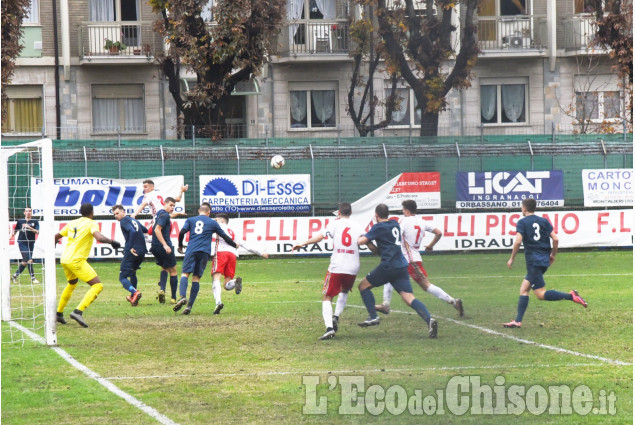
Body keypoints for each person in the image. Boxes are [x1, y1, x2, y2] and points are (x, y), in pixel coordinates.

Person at [357, 204, 438, 338]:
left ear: (376, 216)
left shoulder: (377, 227)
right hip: (401, 266)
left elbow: (361, 241)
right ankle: (429, 320)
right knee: (409, 298)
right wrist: (370, 243)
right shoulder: (394, 224)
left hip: (388, 266)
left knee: (363, 286)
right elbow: (379, 251)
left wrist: (360, 237)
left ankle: (373, 316)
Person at [504, 198, 587, 328]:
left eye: (521, 207)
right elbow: (555, 238)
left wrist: (512, 258)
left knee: (540, 294)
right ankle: (517, 321)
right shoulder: (544, 221)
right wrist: (553, 255)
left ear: (524, 208)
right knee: (527, 290)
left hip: (533, 262)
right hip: (543, 260)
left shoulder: (522, 222)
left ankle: (571, 296)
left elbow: (518, 241)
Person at [375, 200, 463, 317]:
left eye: (403, 209)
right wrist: (431, 246)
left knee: (426, 286)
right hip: (409, 259)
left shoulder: (404, 222)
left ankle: (454, 302)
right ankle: (385, 304)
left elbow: (394, 235)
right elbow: (439, 232)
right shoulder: (422, 221)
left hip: (409, 260)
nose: (402, 211)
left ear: (406, 210)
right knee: (389, 277)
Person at [293, 202, 364, 340]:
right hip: (353, 265)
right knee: (344, 290)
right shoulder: (358, 225)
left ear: (339, 213)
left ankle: (330, 328)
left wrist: (303, 243)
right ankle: (336, 316)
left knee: (327, 296)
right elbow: (366, 240)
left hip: (338, 265)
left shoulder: (334, 224)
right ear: (350, 213)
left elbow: (320, 237)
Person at [55, 203, 121, 327]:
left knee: (72, 284)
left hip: (65, 259)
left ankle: (58, 314)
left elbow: (56, 236)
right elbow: (99, 237)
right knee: (97, 285)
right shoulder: (91, 223)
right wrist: (112, 242)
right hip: (76, 260)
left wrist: (54, 243)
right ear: (92, 212)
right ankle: (77, 311)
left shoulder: (72, 222)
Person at [174, 204, 239, 315]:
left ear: (199, 211)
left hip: (192, 249)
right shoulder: (213, 223)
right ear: (209, 212)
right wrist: (234, 244)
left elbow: (181, 232)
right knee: (196, 278)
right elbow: (224, 236)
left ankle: (183, 297)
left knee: (185, 274)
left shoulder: (190, 220)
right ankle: (189, 306)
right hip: (204, 252)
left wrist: (180, 245)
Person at [132, 178, 188, 301]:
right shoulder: (162, 196)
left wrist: (134, 215)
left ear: (152, 187)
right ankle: (173, 296)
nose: (144, 189)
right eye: (144, 187)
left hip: (158, 221)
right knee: (170, 268)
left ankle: (162, 287)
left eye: (146, 186)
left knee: (146, 232)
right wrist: (181, 191)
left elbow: (142, 205)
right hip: (162, 223)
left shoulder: (150, 196)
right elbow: (176, 200)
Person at [210, 213, 269, 314]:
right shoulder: (234, 231)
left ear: (222, 221)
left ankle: (218, 302)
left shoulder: (217, 226)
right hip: (232, 256)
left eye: (216, 220)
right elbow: (246, 245)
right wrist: (261, 253)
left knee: (216, 278)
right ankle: (235, 282)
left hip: (221, 253)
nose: (215, 221)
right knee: (226, 285)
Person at [112, 204, 148, 306]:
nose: (116, 216)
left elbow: (132, 231)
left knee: (122, 277)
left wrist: (130, 247)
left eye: (117, 213)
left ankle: (134, 292)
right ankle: (134, 299)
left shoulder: (124, 221)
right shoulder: (134, 220)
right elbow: (145, 230)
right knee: (132, 272)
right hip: (142, 251)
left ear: (124, 212)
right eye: (114, 214)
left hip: (132, 251)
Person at [149, 197, 179, 304]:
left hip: (155, 247)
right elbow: (157, 229)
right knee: (174, 271)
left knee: (164, 268)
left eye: (174, 206)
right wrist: (165, 245)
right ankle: (173, 297)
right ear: (165, 204)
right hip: (164, 246)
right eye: (171, 205)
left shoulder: (160, 213)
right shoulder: (165, 215)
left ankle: (162, 289)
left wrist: (179, 214)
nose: (172, 208)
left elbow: (169, 216)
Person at [10, 207, 40, 284]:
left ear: (31, 212)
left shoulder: (35, 221)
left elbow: (37, 232)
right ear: (24, 213)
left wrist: (29, 227)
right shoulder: (20, 221)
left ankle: (14, 276)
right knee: (29, 260)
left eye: (30, 211)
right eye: (27, 211)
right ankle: (33, 278)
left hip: (31, 242)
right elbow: (15, 230)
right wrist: (11, 235)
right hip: (22, 242)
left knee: (25, 262)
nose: (28, 212)